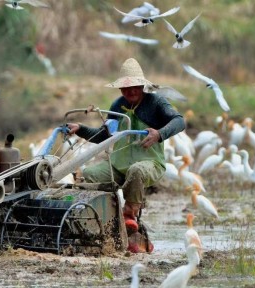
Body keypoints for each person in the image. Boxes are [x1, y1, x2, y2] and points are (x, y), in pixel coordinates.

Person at [67, 58, 185, 253]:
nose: (130, 92)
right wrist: (80, 129)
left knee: (136, 170)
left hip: (149, 163)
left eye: (135, 87)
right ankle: (102, 220)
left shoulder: (156, 103)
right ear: (120, 89)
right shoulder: (117, 105)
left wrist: (159, 134)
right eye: (125, 88)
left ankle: (129, 213)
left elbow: (179, 121)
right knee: (89, 174)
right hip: (118, 166)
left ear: (142, 86)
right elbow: (104, 135)